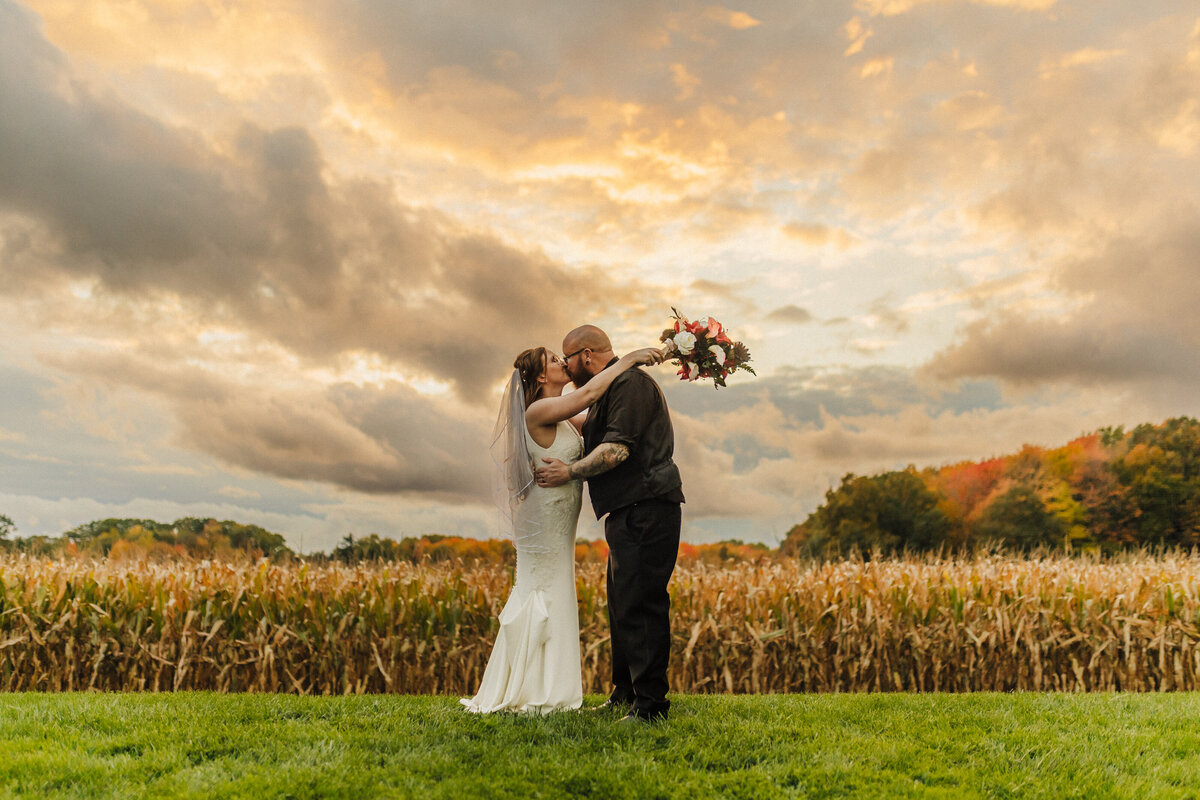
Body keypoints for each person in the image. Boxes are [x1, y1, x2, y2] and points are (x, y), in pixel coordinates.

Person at [462, 343, 666, 715]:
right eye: (554, 361)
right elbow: (589, 393)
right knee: (543, 587)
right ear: (541, 376)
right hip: (545, 518)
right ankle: (533, 686)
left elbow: (600, 416)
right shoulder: (539, 410)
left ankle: (544, 683)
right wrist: (631, 359)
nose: (562, 362)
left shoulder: (563, 419)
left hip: (558, 520)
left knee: (555, 590)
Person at [536, 325, 684, 725]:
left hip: (648, 506)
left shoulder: (630, 384)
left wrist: (569, 472)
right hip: (627, 509)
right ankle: (625, 692)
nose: (565, 366)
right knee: (621, 604)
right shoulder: (610, 388)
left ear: (585, 356)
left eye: (567, 358)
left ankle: (651, 705)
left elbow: (616, 450)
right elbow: (577, 417)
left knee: (641, 604)